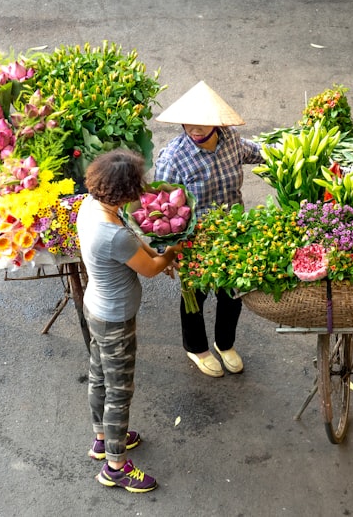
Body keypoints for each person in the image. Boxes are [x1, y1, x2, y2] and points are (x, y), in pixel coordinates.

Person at [76, 149, 182, 493]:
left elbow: (134, 242)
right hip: (115, 319)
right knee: (120, 392)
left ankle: (102, 440)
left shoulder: (91, 207)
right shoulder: (112, 233)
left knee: (99, 377)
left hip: (95, 306)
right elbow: (150, 270)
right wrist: (171, 253)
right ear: (125, 192)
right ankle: (115, 467)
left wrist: (156, 251)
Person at [153, 81, 263, 377]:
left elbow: (257, 152)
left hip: (232, 231)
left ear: (217, 122)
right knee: (195, 295)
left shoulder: (232, 140)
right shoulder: (173, 157)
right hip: (193, 238)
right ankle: (197, 348)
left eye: (203, 123)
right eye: (189, 123)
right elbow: (159, 206)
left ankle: (225, 343)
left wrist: (289, 155)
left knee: (233, 291)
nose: (195, 129)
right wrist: (165, 249)